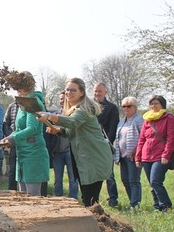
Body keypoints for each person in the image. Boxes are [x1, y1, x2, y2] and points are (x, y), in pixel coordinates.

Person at [38, 77, 113, 207]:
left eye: (73, 90)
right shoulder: (73, 110)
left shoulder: (85, 109)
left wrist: (50, 116)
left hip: (94, 159)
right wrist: (58, 131)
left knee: (90, 200)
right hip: (83, 160)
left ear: (81, 92)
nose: (69, 93)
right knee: (87, 199)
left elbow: (73, 123)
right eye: (67, 90)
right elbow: (70, 132)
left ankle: (97, 225)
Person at [1, 71, 49, 196]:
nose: (20, 94)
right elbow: (18, 128)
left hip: (33, 153)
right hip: (22, 152)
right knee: (23, 196)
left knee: (33, 196)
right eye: (18, 91)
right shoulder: (24, 102)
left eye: (23, 91)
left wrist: (13, 139)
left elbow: (32, 128)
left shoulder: (33, 102)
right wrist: (9, 138)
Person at [135, 95, 173, 212]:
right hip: (146, 156)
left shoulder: (169, 118)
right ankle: (157, 206)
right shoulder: (148, 120)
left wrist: (166, 155)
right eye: (151, 104)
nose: (153, 106)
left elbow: (171, 138)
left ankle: (166, 205)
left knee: (155, 181)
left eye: (156, 103)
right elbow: (142, 140)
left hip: (160, 156)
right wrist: (138, 157)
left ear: (162, 105)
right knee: (152, 184)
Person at [94, 82, 120, 207]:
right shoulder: (89, 107)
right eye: (95, 91)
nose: (97, 93)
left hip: (106, 145)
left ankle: (113, 199)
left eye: (100, 91)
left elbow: (113, 128)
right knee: (93, 174)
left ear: (105, 92)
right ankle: (94, 199)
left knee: (109, 175)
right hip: (91, 146)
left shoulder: (112, 108)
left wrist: (107, 144)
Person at [115, 96, 143, 208]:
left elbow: (143, 137)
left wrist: (136, 151)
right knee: (125, 180)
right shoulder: (121, 122)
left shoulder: (139, 120)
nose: (126, 108)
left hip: (134, 156)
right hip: (122, 156)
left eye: (129, 106)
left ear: (135, 107)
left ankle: (135, 205)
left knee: (134, 181)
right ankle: (132, 201)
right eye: (124, 106)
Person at [52, 91, 78, 199]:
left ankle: (73, 200)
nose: (62, 101)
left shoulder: (74, 114)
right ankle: (58, 199)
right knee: (58, 179)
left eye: (64, 98)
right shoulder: (56, 114)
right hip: (57, 152)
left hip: (69, 151)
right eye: (60, 99)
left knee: (73, 178)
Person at [2, 101, 19, 191]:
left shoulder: (31, 106)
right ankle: (12, 192)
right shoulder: (12, 106)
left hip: (25, 142)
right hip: (12, 143)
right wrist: (9, 137)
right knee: (12, 171)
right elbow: (5, 124)